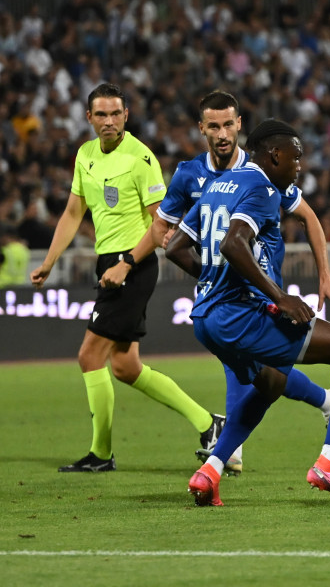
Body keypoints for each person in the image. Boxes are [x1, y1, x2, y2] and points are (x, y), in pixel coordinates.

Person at [166, 119, 330, 507]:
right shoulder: (262, 188)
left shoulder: (218, 185)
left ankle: (210, 470)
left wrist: (214, 280)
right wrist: (280, 297)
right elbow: (233, 243)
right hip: (242, 315)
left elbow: (176, 247)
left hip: (206, 318)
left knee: (272, 383)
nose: (299, 166)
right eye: (295, 158)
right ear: (274, 155)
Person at [30, 83, 225, 473]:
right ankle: (209, 423)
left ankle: (101, 454)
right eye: (100, 115)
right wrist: (51, 260)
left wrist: (126, 264)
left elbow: (161, 223)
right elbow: (72, 213)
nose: (108, 121)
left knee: (89, 356)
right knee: (124, 367)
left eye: (115, 114)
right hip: (110, 265)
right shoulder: (85, 155)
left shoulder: (140, 159)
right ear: (89, 118)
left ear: (126, 116)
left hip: (132, 266)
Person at [148, 91, 330, 476]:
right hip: (219, 296)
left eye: (228, 124)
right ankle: (324, 402)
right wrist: (208, 272)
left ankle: (228, 452)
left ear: (239, 125)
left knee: (257, 370)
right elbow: (163, 231)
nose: (221, 133)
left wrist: (325, 276)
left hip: (259, 296)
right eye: (213, 125)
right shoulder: (189, 174)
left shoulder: (268, 172)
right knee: (262, 371)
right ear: (201, 128)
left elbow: (310, 218)